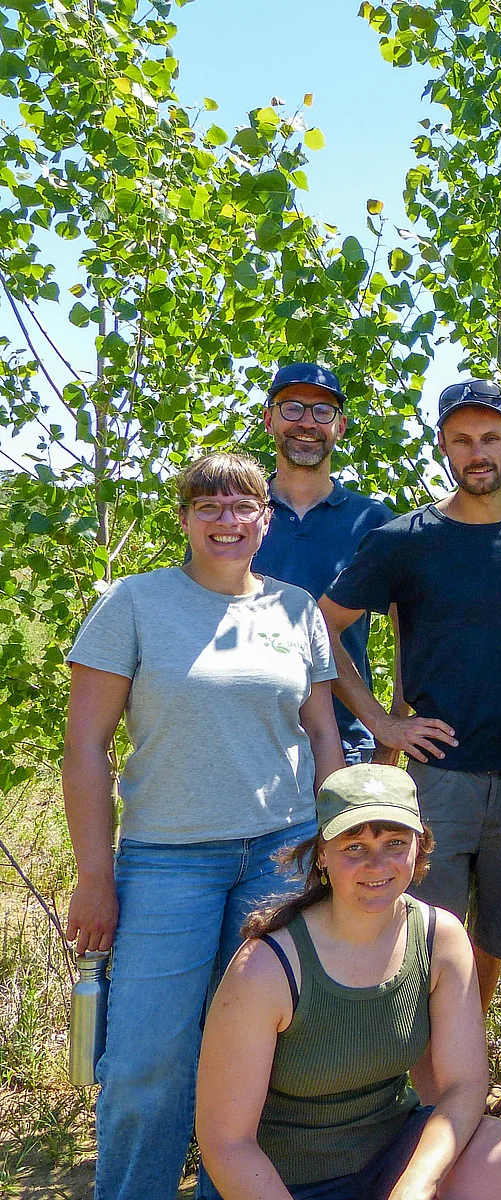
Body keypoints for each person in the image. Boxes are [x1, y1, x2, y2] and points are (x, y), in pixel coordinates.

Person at [62, 451, 344, 1200]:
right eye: (208, 506)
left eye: (242, 506)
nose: (226, 520)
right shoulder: (132, 603)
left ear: (266, 520)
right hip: (165, 861)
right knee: (146, 1062)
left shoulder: (295, 609)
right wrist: (95, 875)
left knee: (255, 1058)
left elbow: (321, 733)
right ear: (184, 518)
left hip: (279, 859)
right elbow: (85, 746)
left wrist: (330, 842)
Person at [318, 379, 501, 1011]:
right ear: (442, 444)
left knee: (497, 935)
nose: (478, 452)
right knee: (424, 934)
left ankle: (465, 1059)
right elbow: (319, 627)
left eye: (491, 438)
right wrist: (383, 723)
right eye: (463, 438)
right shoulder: (404, 540)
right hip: (435, 777)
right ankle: (422, 1078)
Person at [196, 763, 501, 1200]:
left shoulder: (438, 937)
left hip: (388, 1160)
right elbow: (227, 1143)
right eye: (355, 846)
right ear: (322, 854)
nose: (376, 864)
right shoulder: (265, 967)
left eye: (394, 843)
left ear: (419, 848)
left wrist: (417, 1185)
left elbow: (464, 1086)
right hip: (280, 1183)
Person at [252, 362, 399, 765]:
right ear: (268, 420)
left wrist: (392, 728)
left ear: (340, 426)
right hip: (246, 744)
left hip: (349, 745)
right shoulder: (235, 517)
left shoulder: (373, 522)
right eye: (292, 408)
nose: (307, 422)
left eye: (322, 411)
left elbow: (414, 630)